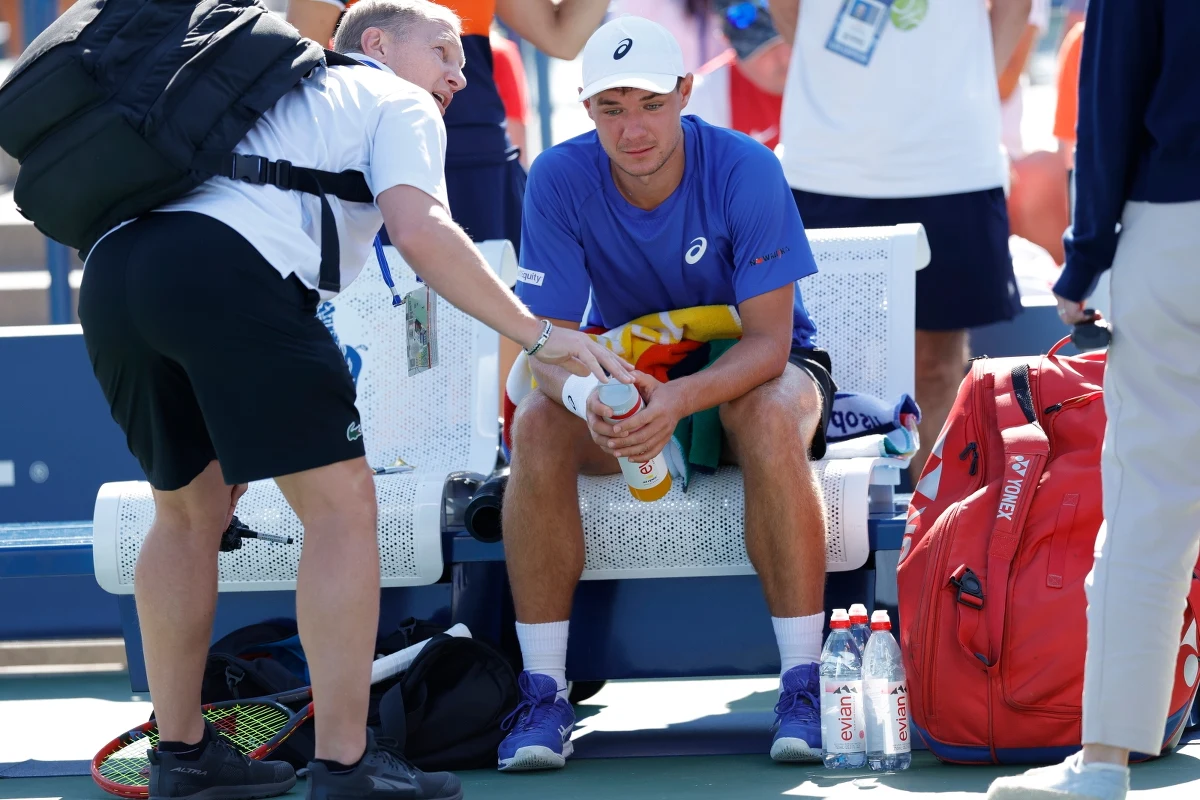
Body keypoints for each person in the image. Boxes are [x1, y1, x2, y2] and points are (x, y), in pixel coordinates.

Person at [76, 2, 631, 799]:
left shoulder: (258, 91)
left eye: (466, 62)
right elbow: (421, 228)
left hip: (119, 270)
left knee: (188, 513)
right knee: (341, 509)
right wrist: (538, 334)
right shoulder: (392, 99)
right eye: (444, 51)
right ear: (374, 45)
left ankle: (185, 756)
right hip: (229, 273)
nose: (457, 73)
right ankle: (346, 763)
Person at [499, 15, 835, 773]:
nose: (633, 128)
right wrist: (597, 403)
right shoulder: (558, 176)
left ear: (686, 92)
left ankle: (804, 684)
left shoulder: (746, 166)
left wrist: (675, 406)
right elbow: (550, 348)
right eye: (611, 108)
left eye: (649, 103)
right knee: (536, 429)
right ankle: (544, 694)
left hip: (755, 372)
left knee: (771, 411)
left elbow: (771, 345)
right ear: (587, 110)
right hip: (633, 377)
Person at [989, 1, 1200, 796]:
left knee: (1150, 506)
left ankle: (1105, 764)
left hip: (1178, 224)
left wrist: (1081, 267)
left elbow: (1108, 105)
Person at [771, 0, 1030, 477]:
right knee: (825, 360)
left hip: (948, 164)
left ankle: (938, 534)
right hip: (828, 161)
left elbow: (1016, 6)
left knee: (937, 361)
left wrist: (956, 87)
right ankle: (846, 539)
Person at [686, 0, 789, 151]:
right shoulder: (703, 99)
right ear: (726, 41)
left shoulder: (832, 73)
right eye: (765, 51)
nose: (784, 58)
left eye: (790, 40)